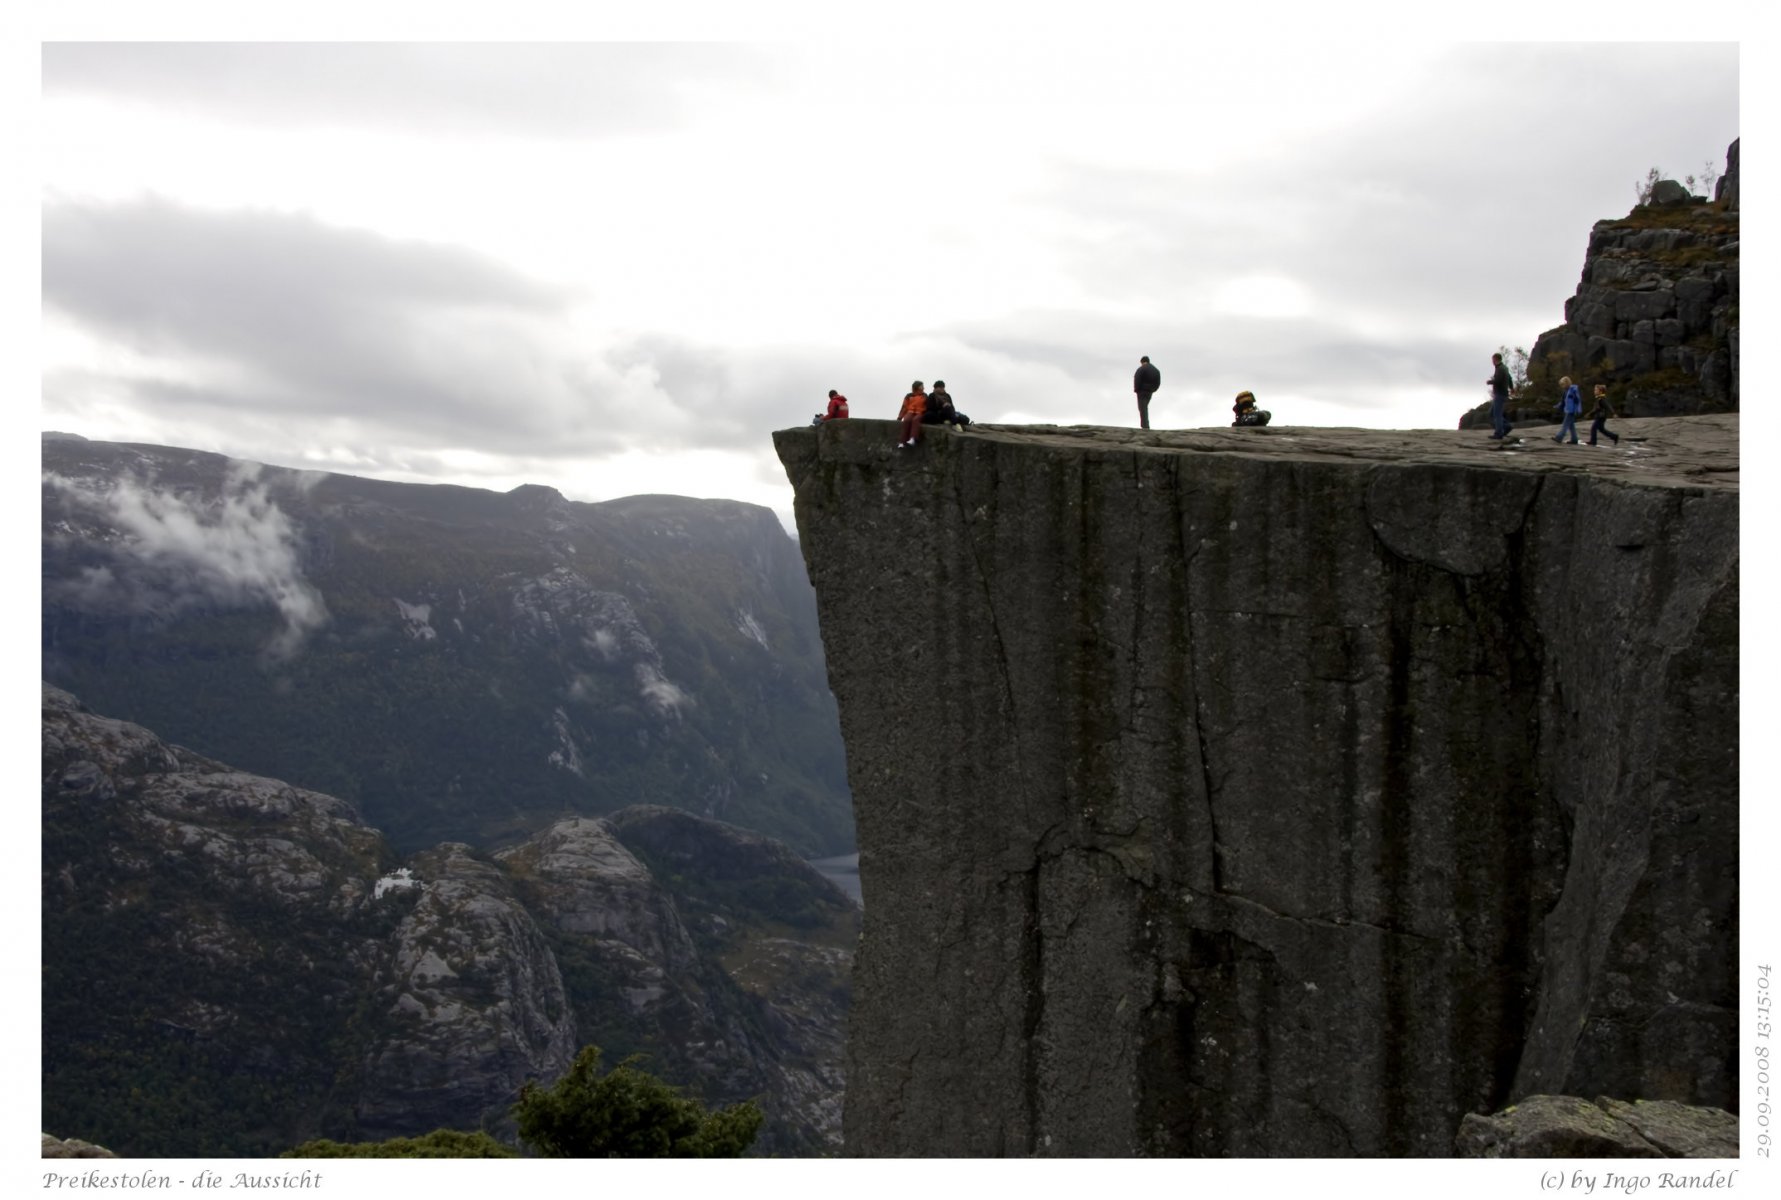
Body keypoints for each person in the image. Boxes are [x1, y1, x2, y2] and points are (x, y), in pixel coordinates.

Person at [1487, 353, 1514, 439]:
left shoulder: (1500, 369)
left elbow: (1498, 381)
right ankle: (1507, 427)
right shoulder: (1504, 368)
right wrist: (1512, 388)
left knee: (1497, 414)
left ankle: (1499, 433)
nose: (1492, 362)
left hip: (1500, 394)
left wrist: (1490, 382)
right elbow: (1510, 378)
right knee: (1492, 413)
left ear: (1495, 359)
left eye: (1493, 360)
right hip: (1502, 394)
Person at [895, 381, 927, 449]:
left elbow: (927, 405)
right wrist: (900, 417)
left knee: (915, 420)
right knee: (906, 420)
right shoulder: (909, 396)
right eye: (922, 386)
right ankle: (902, 442)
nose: (923, 387)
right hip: (910, 411)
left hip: (920, 412)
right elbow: (904, 407)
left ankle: (913, 438)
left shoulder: (924, 395)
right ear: (917, 387)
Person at [1133, 356, 1161, 429]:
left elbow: (1137, 379)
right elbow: (1158, 382)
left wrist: (1136, 389)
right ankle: (1145, 425)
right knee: (1144, 407)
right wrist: (1153, 389)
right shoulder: (1156, 370)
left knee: (1142, 408)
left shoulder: (1141, 369)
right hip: (1150, 391)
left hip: (1142, 391)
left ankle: (1145, 426)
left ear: (1142, 362)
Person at [1553, 376, 1582, 444]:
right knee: (1571, 426)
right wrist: (1557, 406)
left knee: (1565, 424)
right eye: (1561, 385)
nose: (1562, 386)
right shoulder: (1565, 392)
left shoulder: (1573, 390)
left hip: (1572, 411)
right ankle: (1574, 439)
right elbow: (1563, 401)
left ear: (1567, 383)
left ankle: (1559, 437)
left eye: (1562, 384)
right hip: (1567, 410)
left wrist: (1576, 410)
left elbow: (1577, 401)